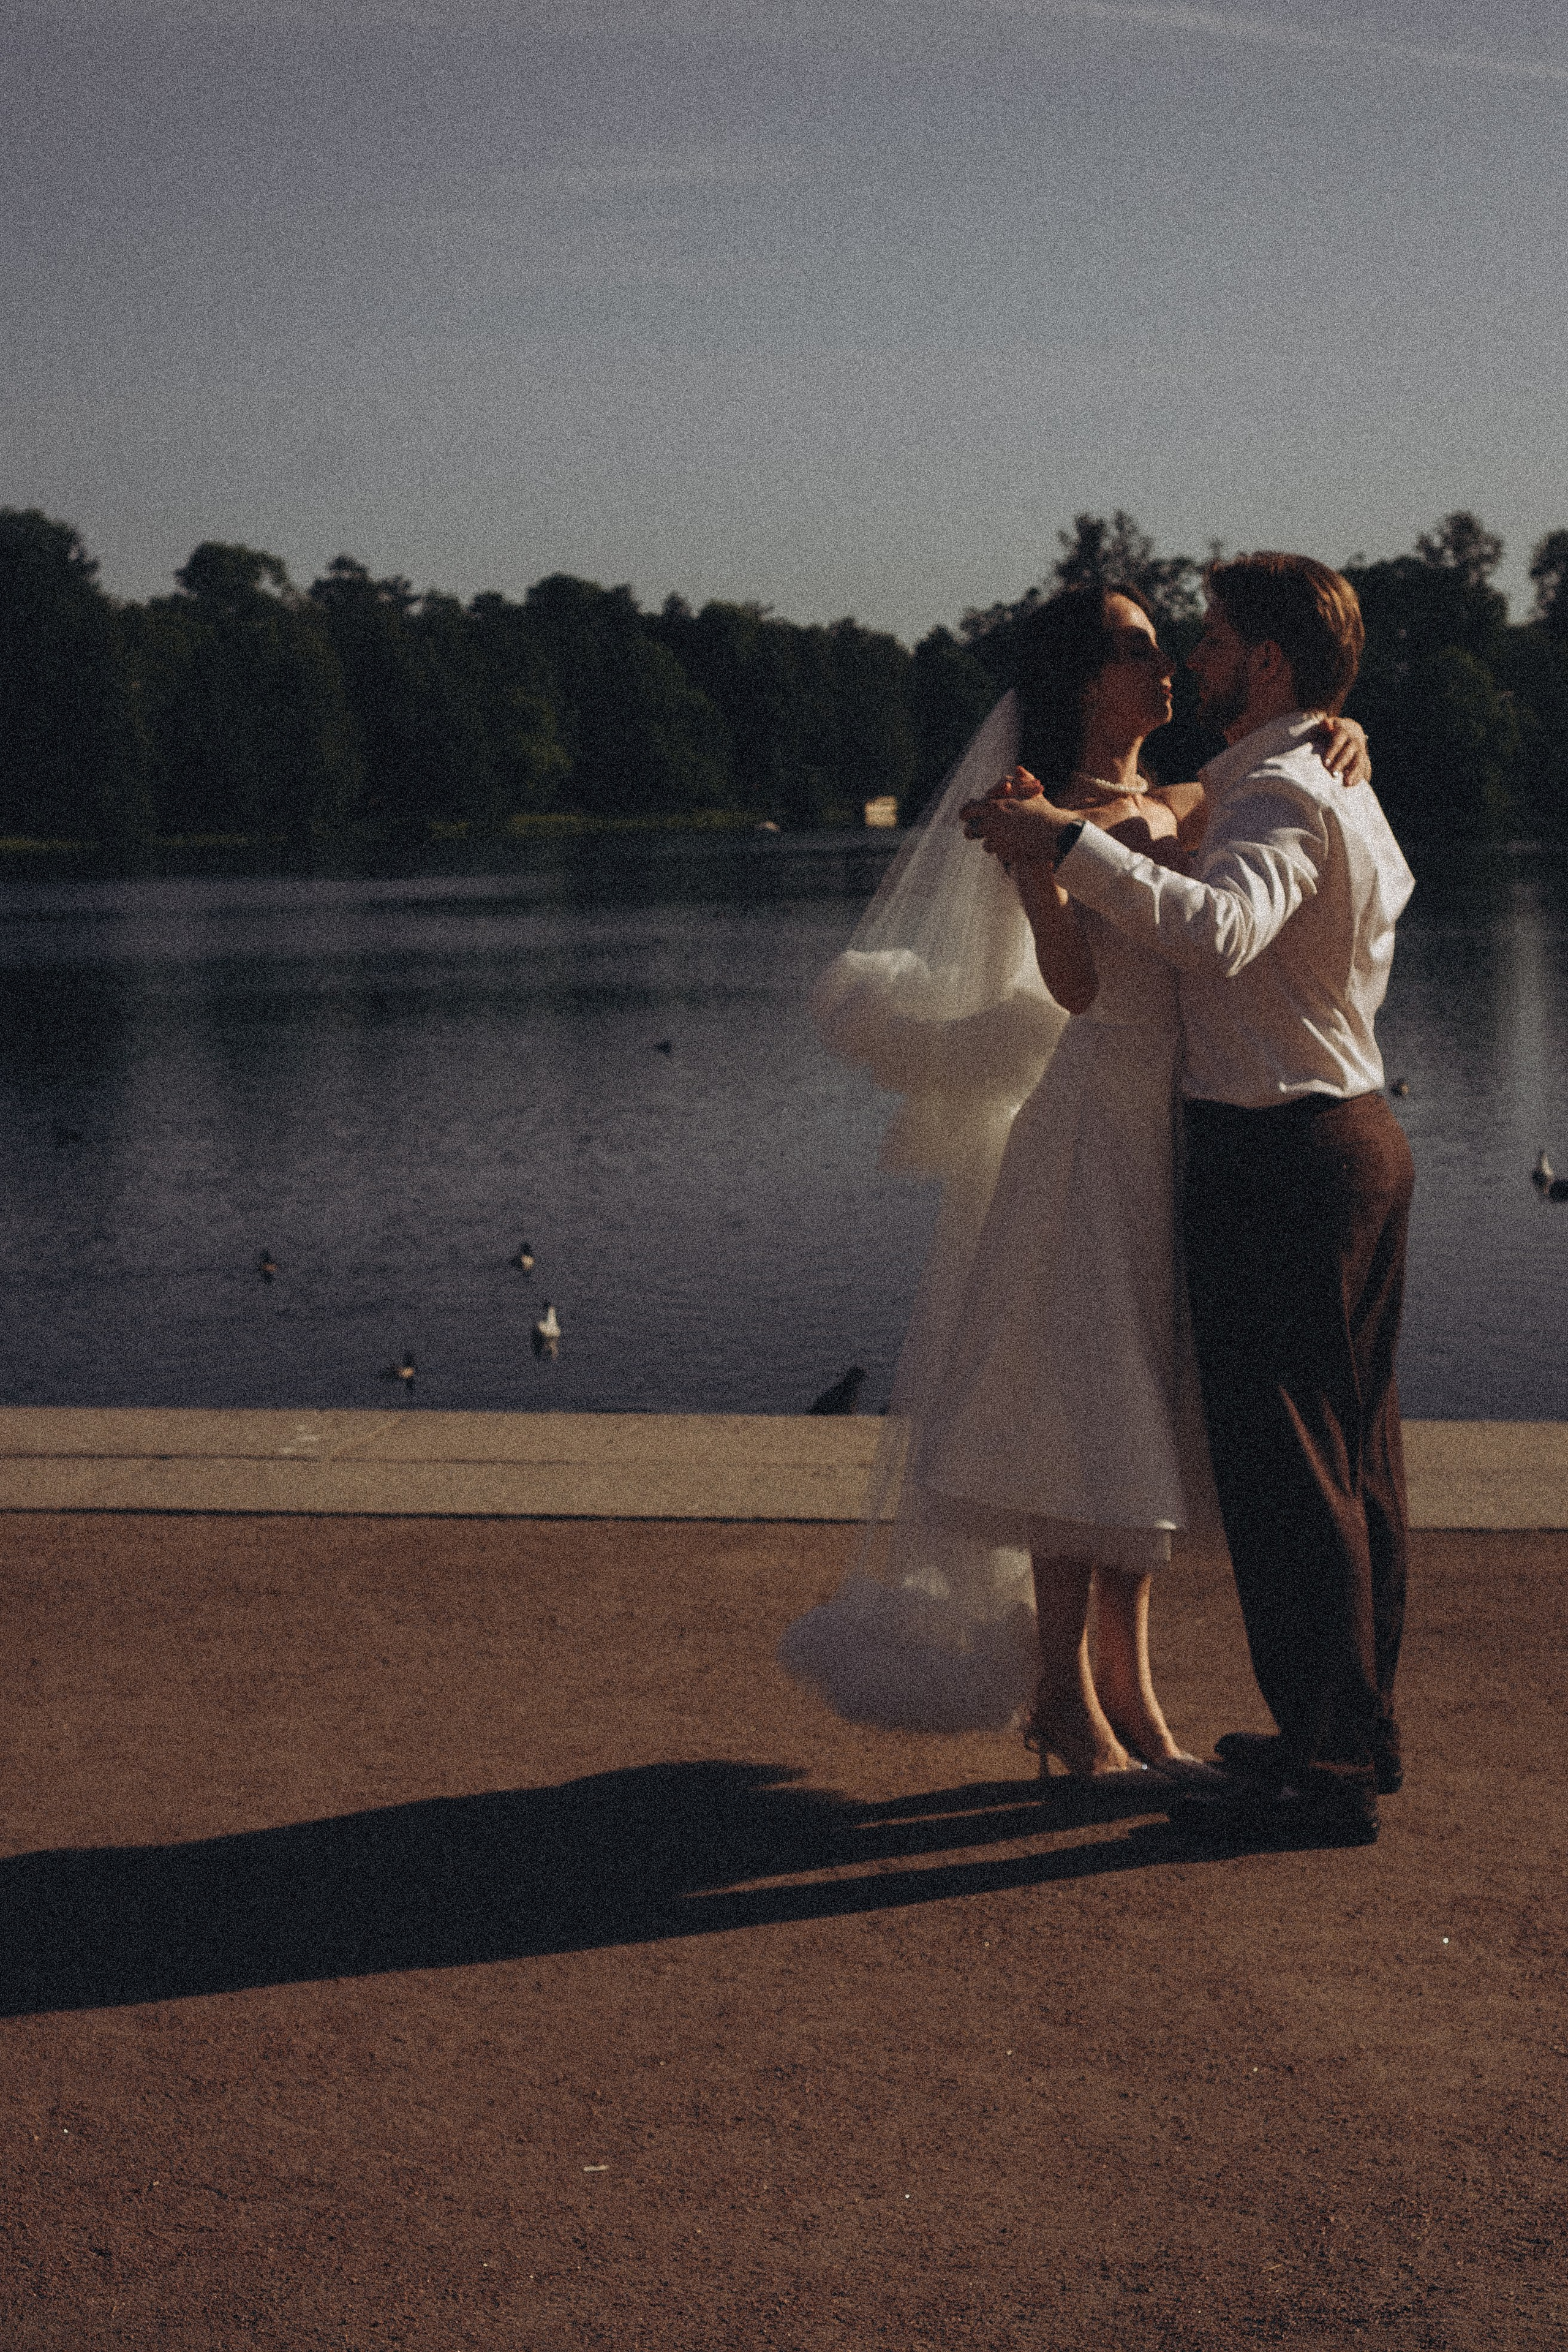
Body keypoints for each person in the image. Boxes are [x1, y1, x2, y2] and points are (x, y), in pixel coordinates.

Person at [780, 582, 1368, 1782]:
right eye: (1133, 653)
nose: (1160, 672)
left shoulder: (1202, 796)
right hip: (1089, 1131)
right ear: (1078, 680)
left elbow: (1274, 815)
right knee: (1074, 1416)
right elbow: (1076, 988)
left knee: (1142, 1420)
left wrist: (1340, 729)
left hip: (1182, 1130)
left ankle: (1129, 1703)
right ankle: (1069, 1703)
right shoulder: (1032, 811)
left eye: (1164, 651)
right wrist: (1047, 874)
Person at [965, 554, 1414, 1846]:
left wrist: (1060, 841)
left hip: (1285, 1149)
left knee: (1297, 1478)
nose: (1185, 659)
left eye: (1206, 637)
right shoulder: (1297, 776)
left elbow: (1217, 932)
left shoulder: (1280, 783)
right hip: (1322, 1134)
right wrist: (1053, 846)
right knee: (1346, 1466)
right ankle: (1336, 1738)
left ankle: (1322, 1767)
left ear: (1264, 665)